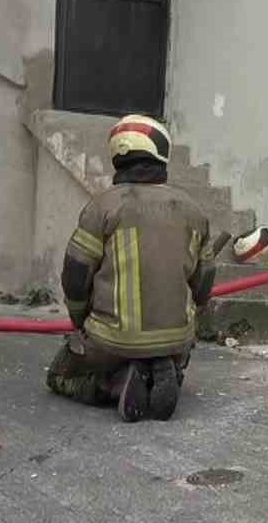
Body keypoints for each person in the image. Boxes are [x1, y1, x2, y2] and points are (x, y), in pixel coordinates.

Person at [46, 115, 216, 423]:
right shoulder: (194, 212)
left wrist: (78, 319)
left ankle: (115, 383)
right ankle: (166, 369)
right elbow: (204, 284)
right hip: (178, 339)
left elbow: (75, 274)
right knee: (166, 346)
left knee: (59, 376)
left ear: (117, 159)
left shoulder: (103, 207)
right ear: (162, 155)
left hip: (112, 341)